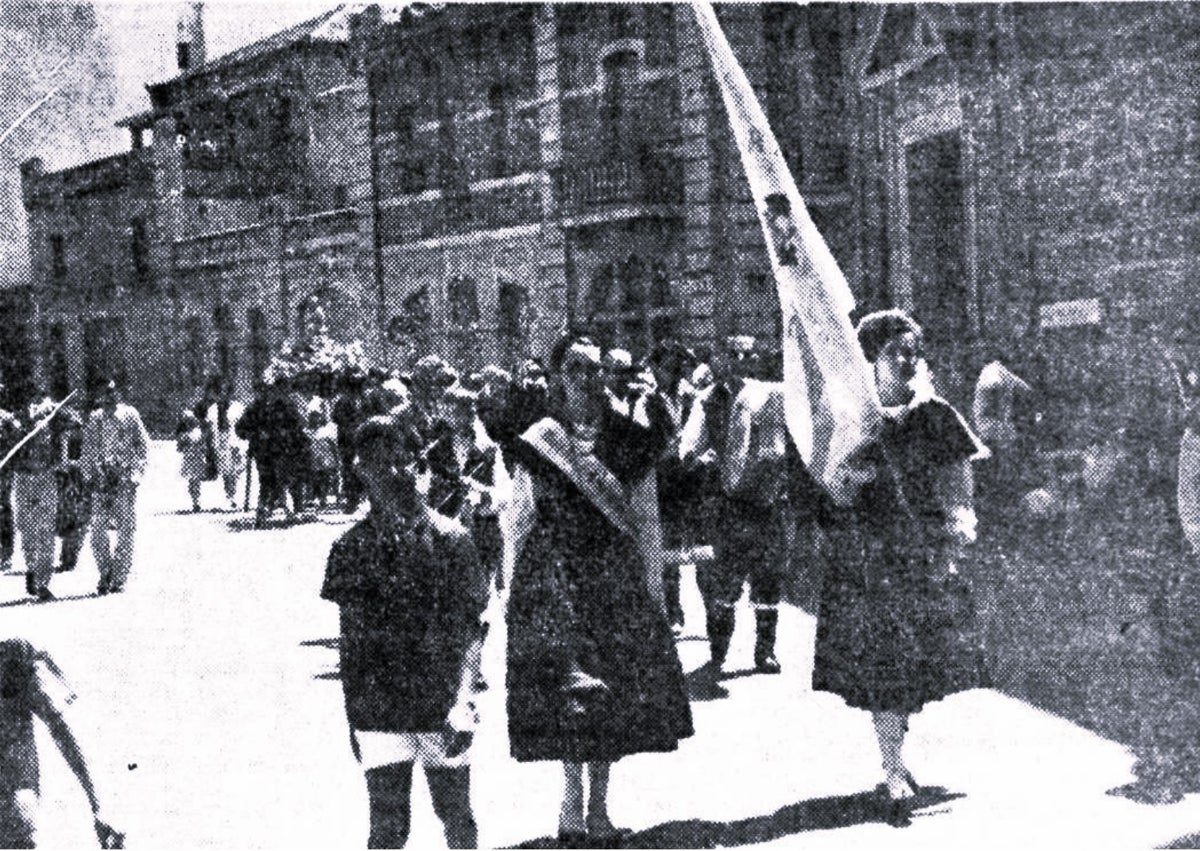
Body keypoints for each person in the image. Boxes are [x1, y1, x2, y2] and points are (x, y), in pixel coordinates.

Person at [505, 333, 692, 846]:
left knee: (611, 691)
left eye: (593, 370)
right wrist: (511, 589)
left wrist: (654, 588)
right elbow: (517, 519)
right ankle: (569, 798)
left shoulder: (630, 440)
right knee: (570, 693)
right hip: (555, 579)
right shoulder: (538, 441)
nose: (586, 380)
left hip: (614, 581)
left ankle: (600, 807)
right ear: (557, 378)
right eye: (575, 370)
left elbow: (647, 521)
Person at [812, 310, 989, 827]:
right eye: (896, 352)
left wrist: (958, 528)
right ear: (872, 358)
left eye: (914, 349)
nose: (908, 360)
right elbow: (824, 494)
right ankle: (891, 768)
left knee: (915, 665)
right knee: (884, 662)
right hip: (868, 559)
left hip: (925, 556)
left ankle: (897, 756)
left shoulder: (935, 415)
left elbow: (959, 484)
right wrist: (844, 482)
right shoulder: (852, 419)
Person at [321, 413, 486, 849]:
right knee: (387, 829)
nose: (393, 472)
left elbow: (471, 631)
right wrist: (353, 718)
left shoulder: (453, 540)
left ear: (422, 465)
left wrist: (464, 701)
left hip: (442, 702)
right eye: (377, 462)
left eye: (404, 459)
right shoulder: (350, 548)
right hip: (380, 708)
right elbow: (350, 644)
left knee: (457, 818)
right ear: (359, 470)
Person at [0, 638, 123, 848]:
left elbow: (64, 734)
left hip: (13, 779)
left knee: (20, 819)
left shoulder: (15, 661)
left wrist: (99, 807)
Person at [80, 379, 149, 596]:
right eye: (105, 393)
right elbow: (87, 450)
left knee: (126, 529)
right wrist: (88, 475)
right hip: (100, 481)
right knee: (98, 530)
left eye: (112, 392)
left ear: (118, 393)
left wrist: (137, 473)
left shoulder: (130, 415)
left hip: (124, 479)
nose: (109, 397)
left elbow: (143, 445)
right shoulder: (95, 419)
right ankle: (105, 572)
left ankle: (119, 576)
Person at [12, 393, 60, 601]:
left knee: (46, 531)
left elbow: (76, 424)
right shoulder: (13, 421)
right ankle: (32, 568)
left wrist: (55, 413)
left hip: (46, 477)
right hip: (23, 477)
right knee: (27, 529)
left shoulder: (55, 415)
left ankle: (43, 583)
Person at [52, 400, 90, 574]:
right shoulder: (59, 439)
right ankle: (66, 555)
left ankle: (70, 556)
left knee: (78, 521)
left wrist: (73, 465)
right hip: (64, 483)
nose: (71, 428)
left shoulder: (83, 438)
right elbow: (55, 462)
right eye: (68, 424)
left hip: (79, 483)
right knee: (66, 520)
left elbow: (87, 459)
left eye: (74, 424)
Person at [205, 378, 248, 512]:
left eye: (225, 392)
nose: (223, 395)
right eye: (220, 392)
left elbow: (244, 427)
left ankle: (234, 495)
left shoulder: (238, 408)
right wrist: (210, 445)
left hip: (236, 441)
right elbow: (210, 428)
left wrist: (243, 442)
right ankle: (230, 498)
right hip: (220, 441)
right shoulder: (212, 409)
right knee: (225, 470)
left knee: (236, 470)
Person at [0, 382, 19, 574]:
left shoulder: (6, 419)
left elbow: (18, 442)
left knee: (3, 509)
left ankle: (6, 555)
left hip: (3, 471)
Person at [174, 410, 208, 513]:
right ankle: (195, 501)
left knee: (196, 481)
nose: (189, 423)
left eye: (190, 420)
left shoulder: (198, 432)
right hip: (189, 460)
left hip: (198, 459)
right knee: (192, 481)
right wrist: (183, 441)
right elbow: (179, 448)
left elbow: (204, 446)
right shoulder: (183, 434)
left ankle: (196, 501)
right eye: (186, 421)